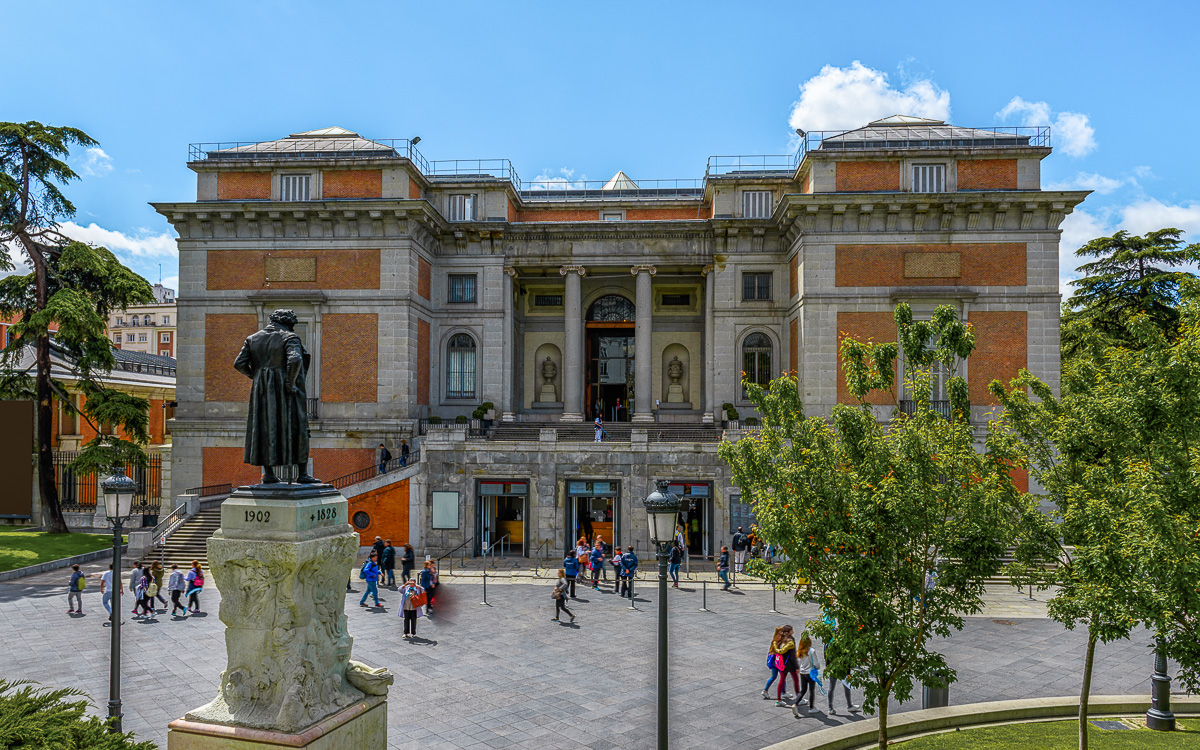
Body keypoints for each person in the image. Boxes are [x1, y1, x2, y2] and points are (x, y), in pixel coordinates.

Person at [770, 625, 800, 706]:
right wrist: (797, 666)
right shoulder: (790, 642)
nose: (793, 632)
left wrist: (775, 645)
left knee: (782, 680)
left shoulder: (781, 640)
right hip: (790, 664)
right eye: (792, 630)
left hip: (783, 664)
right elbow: (792, 656)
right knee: (796, 680)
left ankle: (778, 700)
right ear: (789, 632)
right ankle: (798, 698)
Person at [794, 631, 818, 712]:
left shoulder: (799, 651)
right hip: (810, 672)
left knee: (803, 690)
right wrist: (817, 668)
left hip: (802, 672)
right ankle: (811, 707)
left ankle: (795, 703)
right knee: (811, 690)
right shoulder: (811, 651)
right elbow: (816, 663)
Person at [762, 626, 786, 699]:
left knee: (773, 677)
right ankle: (783, 693)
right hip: (778, 661)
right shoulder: (779, 641)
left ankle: (765, 690)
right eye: (781, 631)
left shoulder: (774, 640)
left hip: (774, 662)